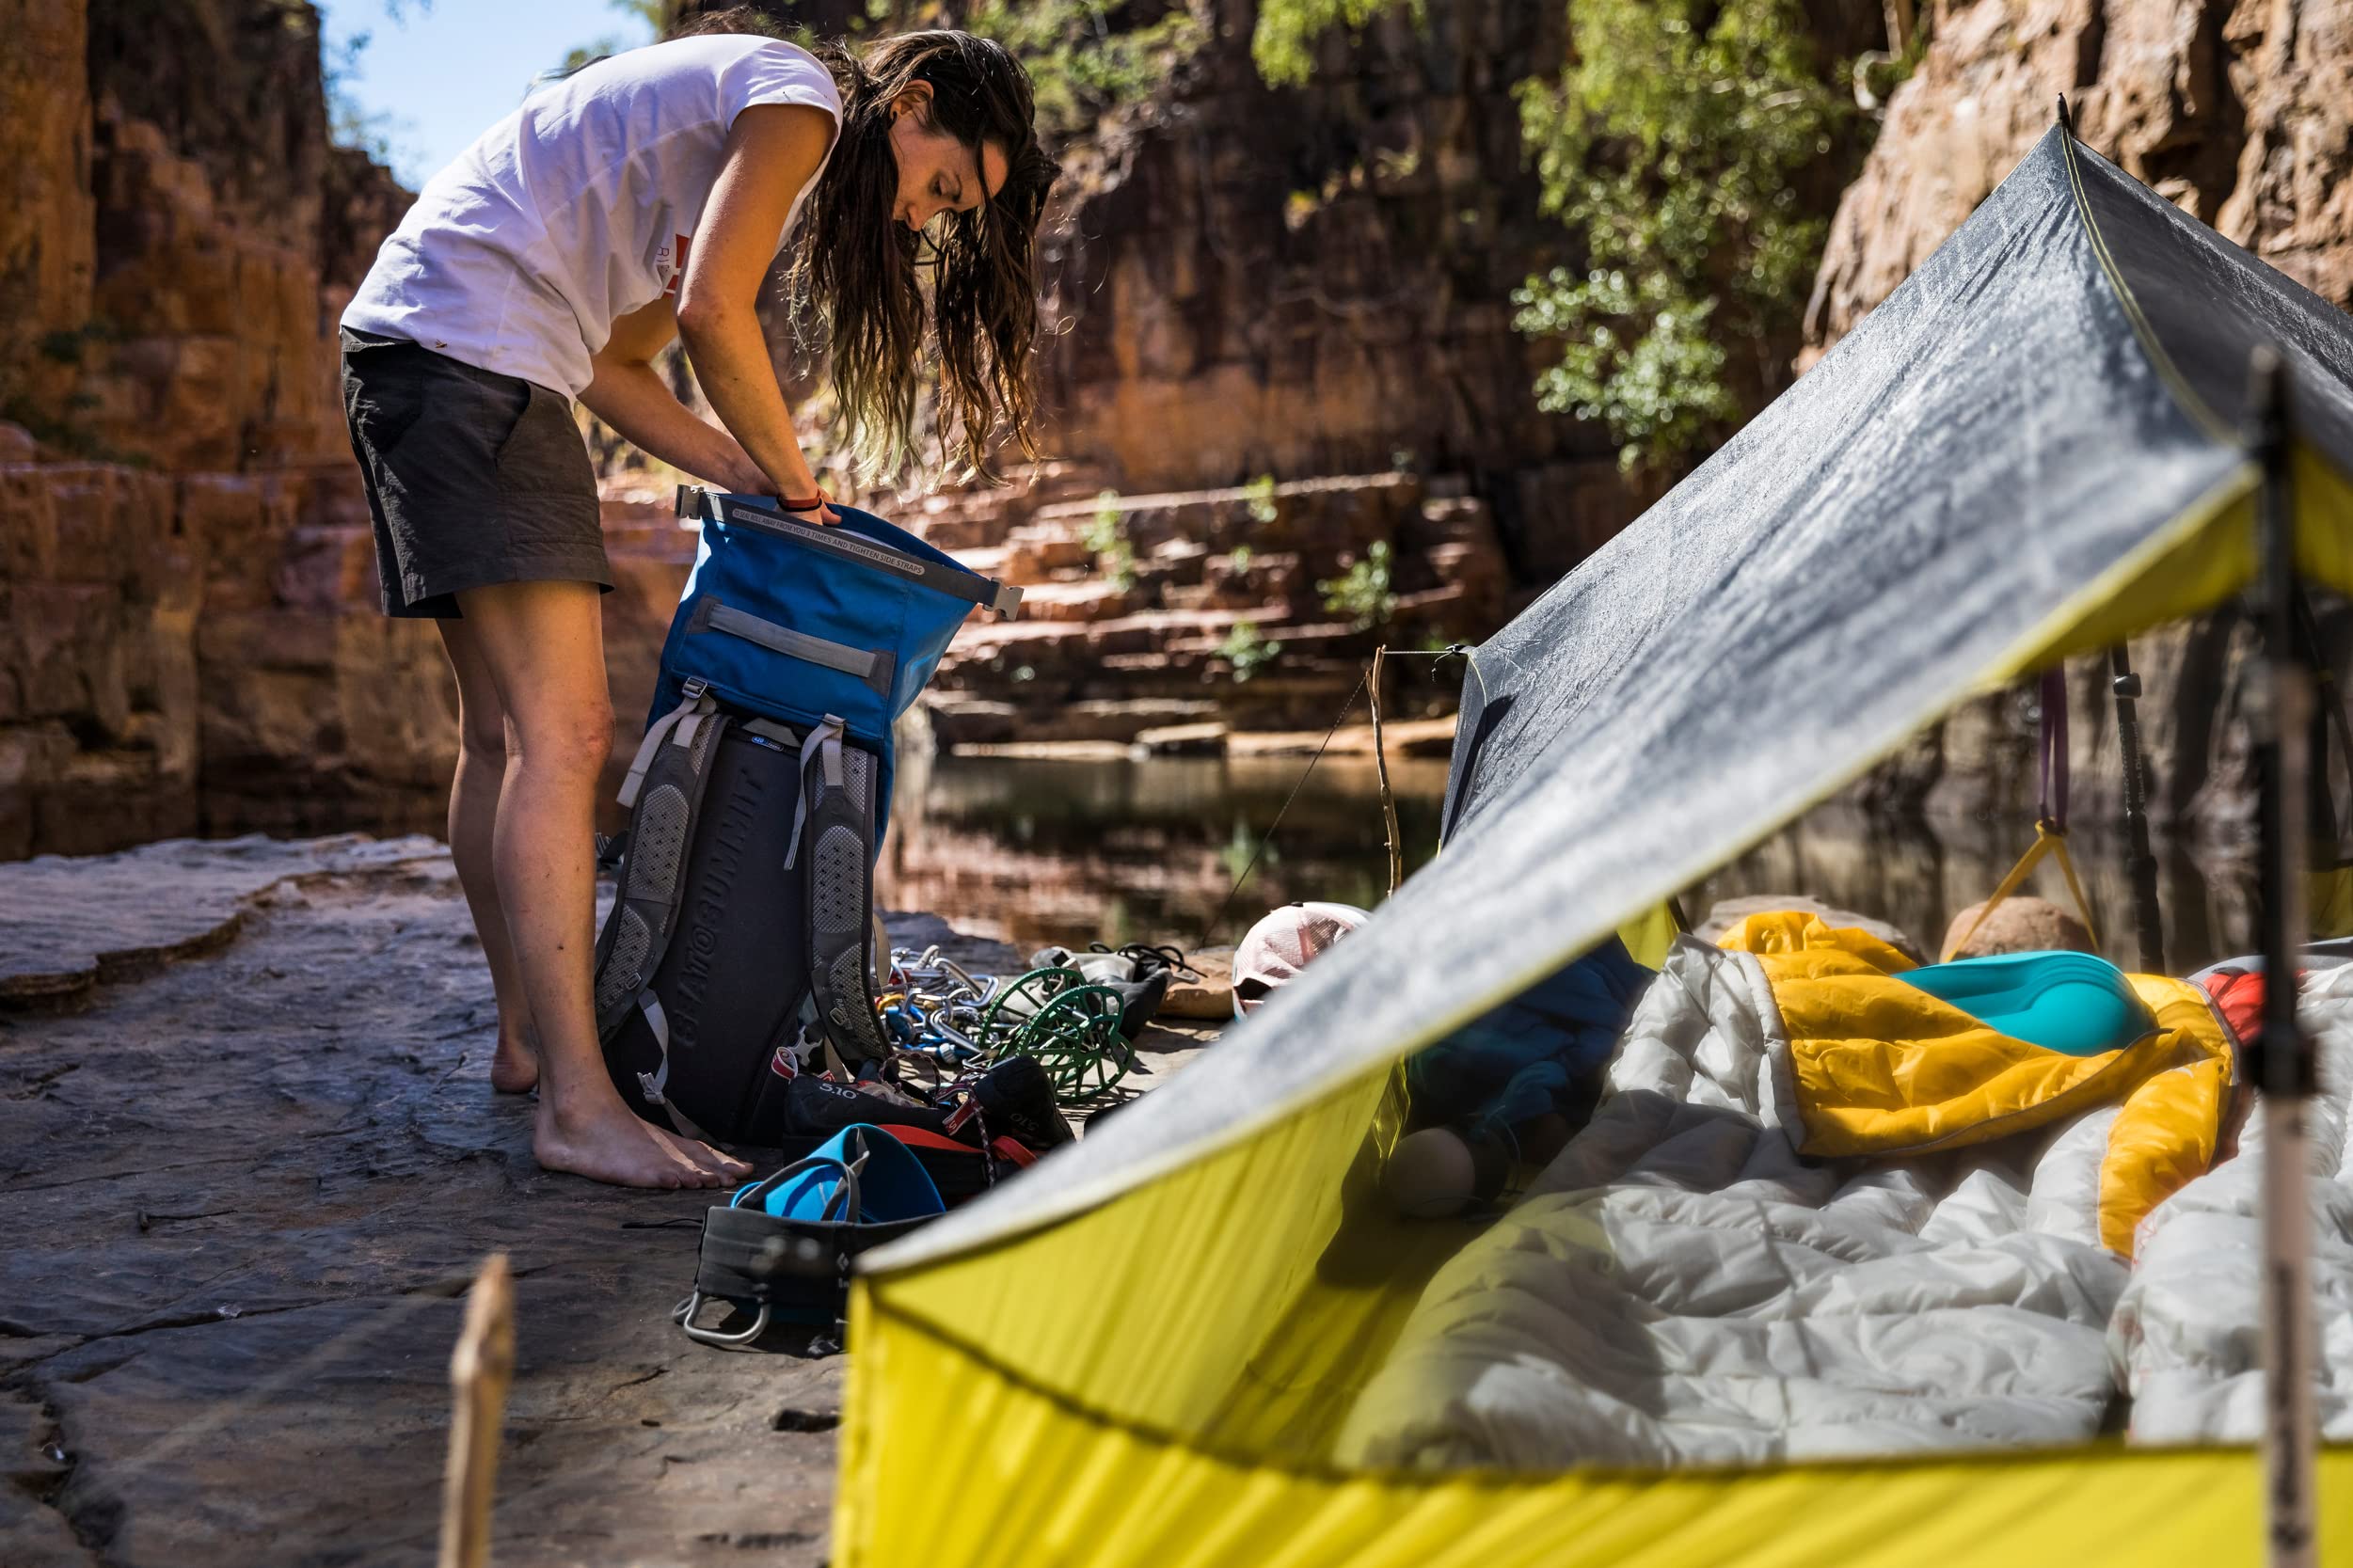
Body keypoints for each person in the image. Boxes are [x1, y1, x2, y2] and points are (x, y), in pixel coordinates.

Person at [338, 13, 1058, 1188]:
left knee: (499, 733)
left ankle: (529, 1043)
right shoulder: (800, 108)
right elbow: (710, 317)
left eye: (944, 216)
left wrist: (742, 472)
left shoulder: (731, 124)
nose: (917, 218)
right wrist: (791, 473)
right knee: (565, 738)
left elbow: (619, 365)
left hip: (420, 344)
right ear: (912, 96)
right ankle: (579, 1104)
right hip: (474, 359)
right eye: (936, 186)